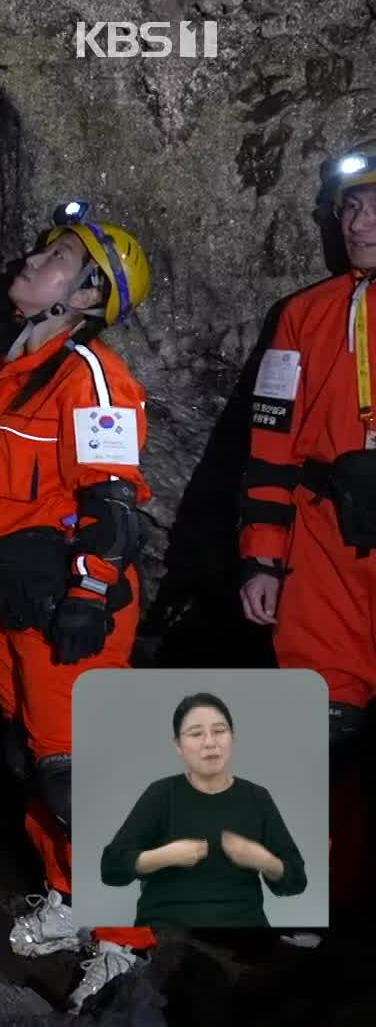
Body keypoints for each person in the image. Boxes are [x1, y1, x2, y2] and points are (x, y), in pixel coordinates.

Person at [0, 203, 159, 1009]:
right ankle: (71, 897)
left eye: (59, 255)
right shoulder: (1, 371)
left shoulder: (88, 373)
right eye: (41, 246)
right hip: (6, 596)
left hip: (67, 600)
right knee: (32, 758)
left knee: (79, 777)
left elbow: (113, 500)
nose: (34, 259)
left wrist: (92, 589)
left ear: (89, 296)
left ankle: (125, 940)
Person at [237, 139, 376, 927]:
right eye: (348, 206)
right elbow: (270, 442)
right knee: (319, 724)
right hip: (323, 537)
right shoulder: (304, 314)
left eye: (373, 204)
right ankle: (313, 895)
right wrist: (262, 556)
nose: (359, 219)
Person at [100, 692, 308, 928]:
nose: (210, 742)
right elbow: (110, 869)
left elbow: (296, 880)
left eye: (220, 731)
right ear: (178, 745)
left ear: (232, 737)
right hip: (168, 931)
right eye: (196, 734)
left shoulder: (257, 797)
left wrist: (266, 861)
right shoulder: (161, 794)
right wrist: (164, 856)